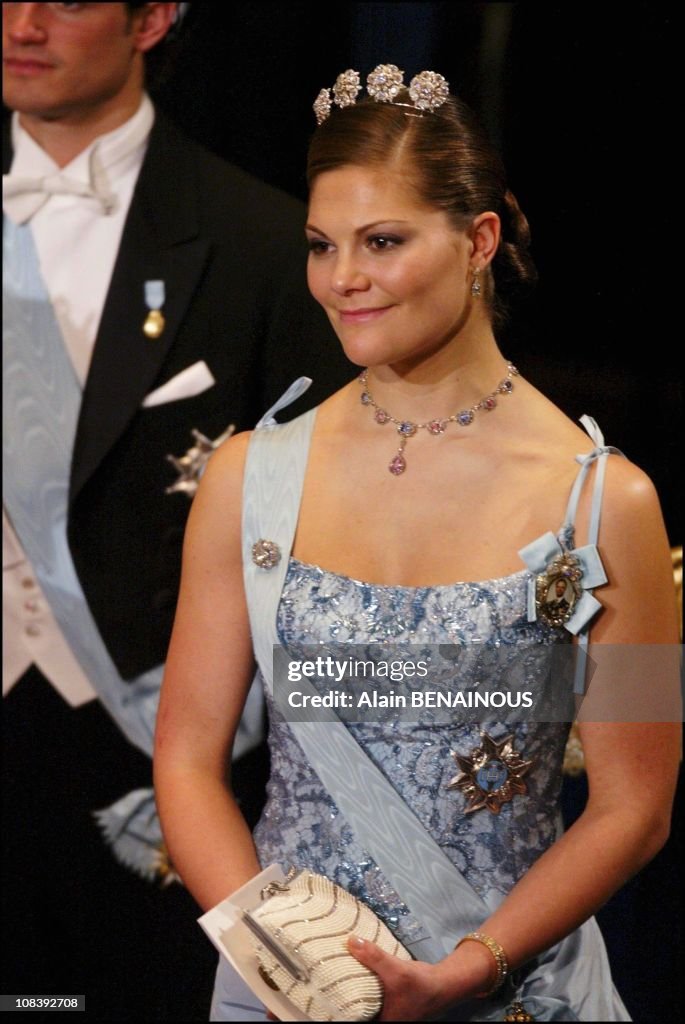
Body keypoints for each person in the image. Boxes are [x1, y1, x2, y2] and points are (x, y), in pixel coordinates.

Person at [154, 65, 680, 1021]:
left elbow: (633, 809)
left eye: (382, 242)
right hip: (281, 991)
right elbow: (187, 761)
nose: (341, 278)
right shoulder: (246, 478)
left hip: (508, 990)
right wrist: (288, 964)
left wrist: (472, 967)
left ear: (478, 240)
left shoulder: (609, 504)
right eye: (321, 246)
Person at [2, 3, 351, 1019]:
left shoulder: (262, 241)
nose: (21, 23)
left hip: (151, 755)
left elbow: (327, 525)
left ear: (153, 17)